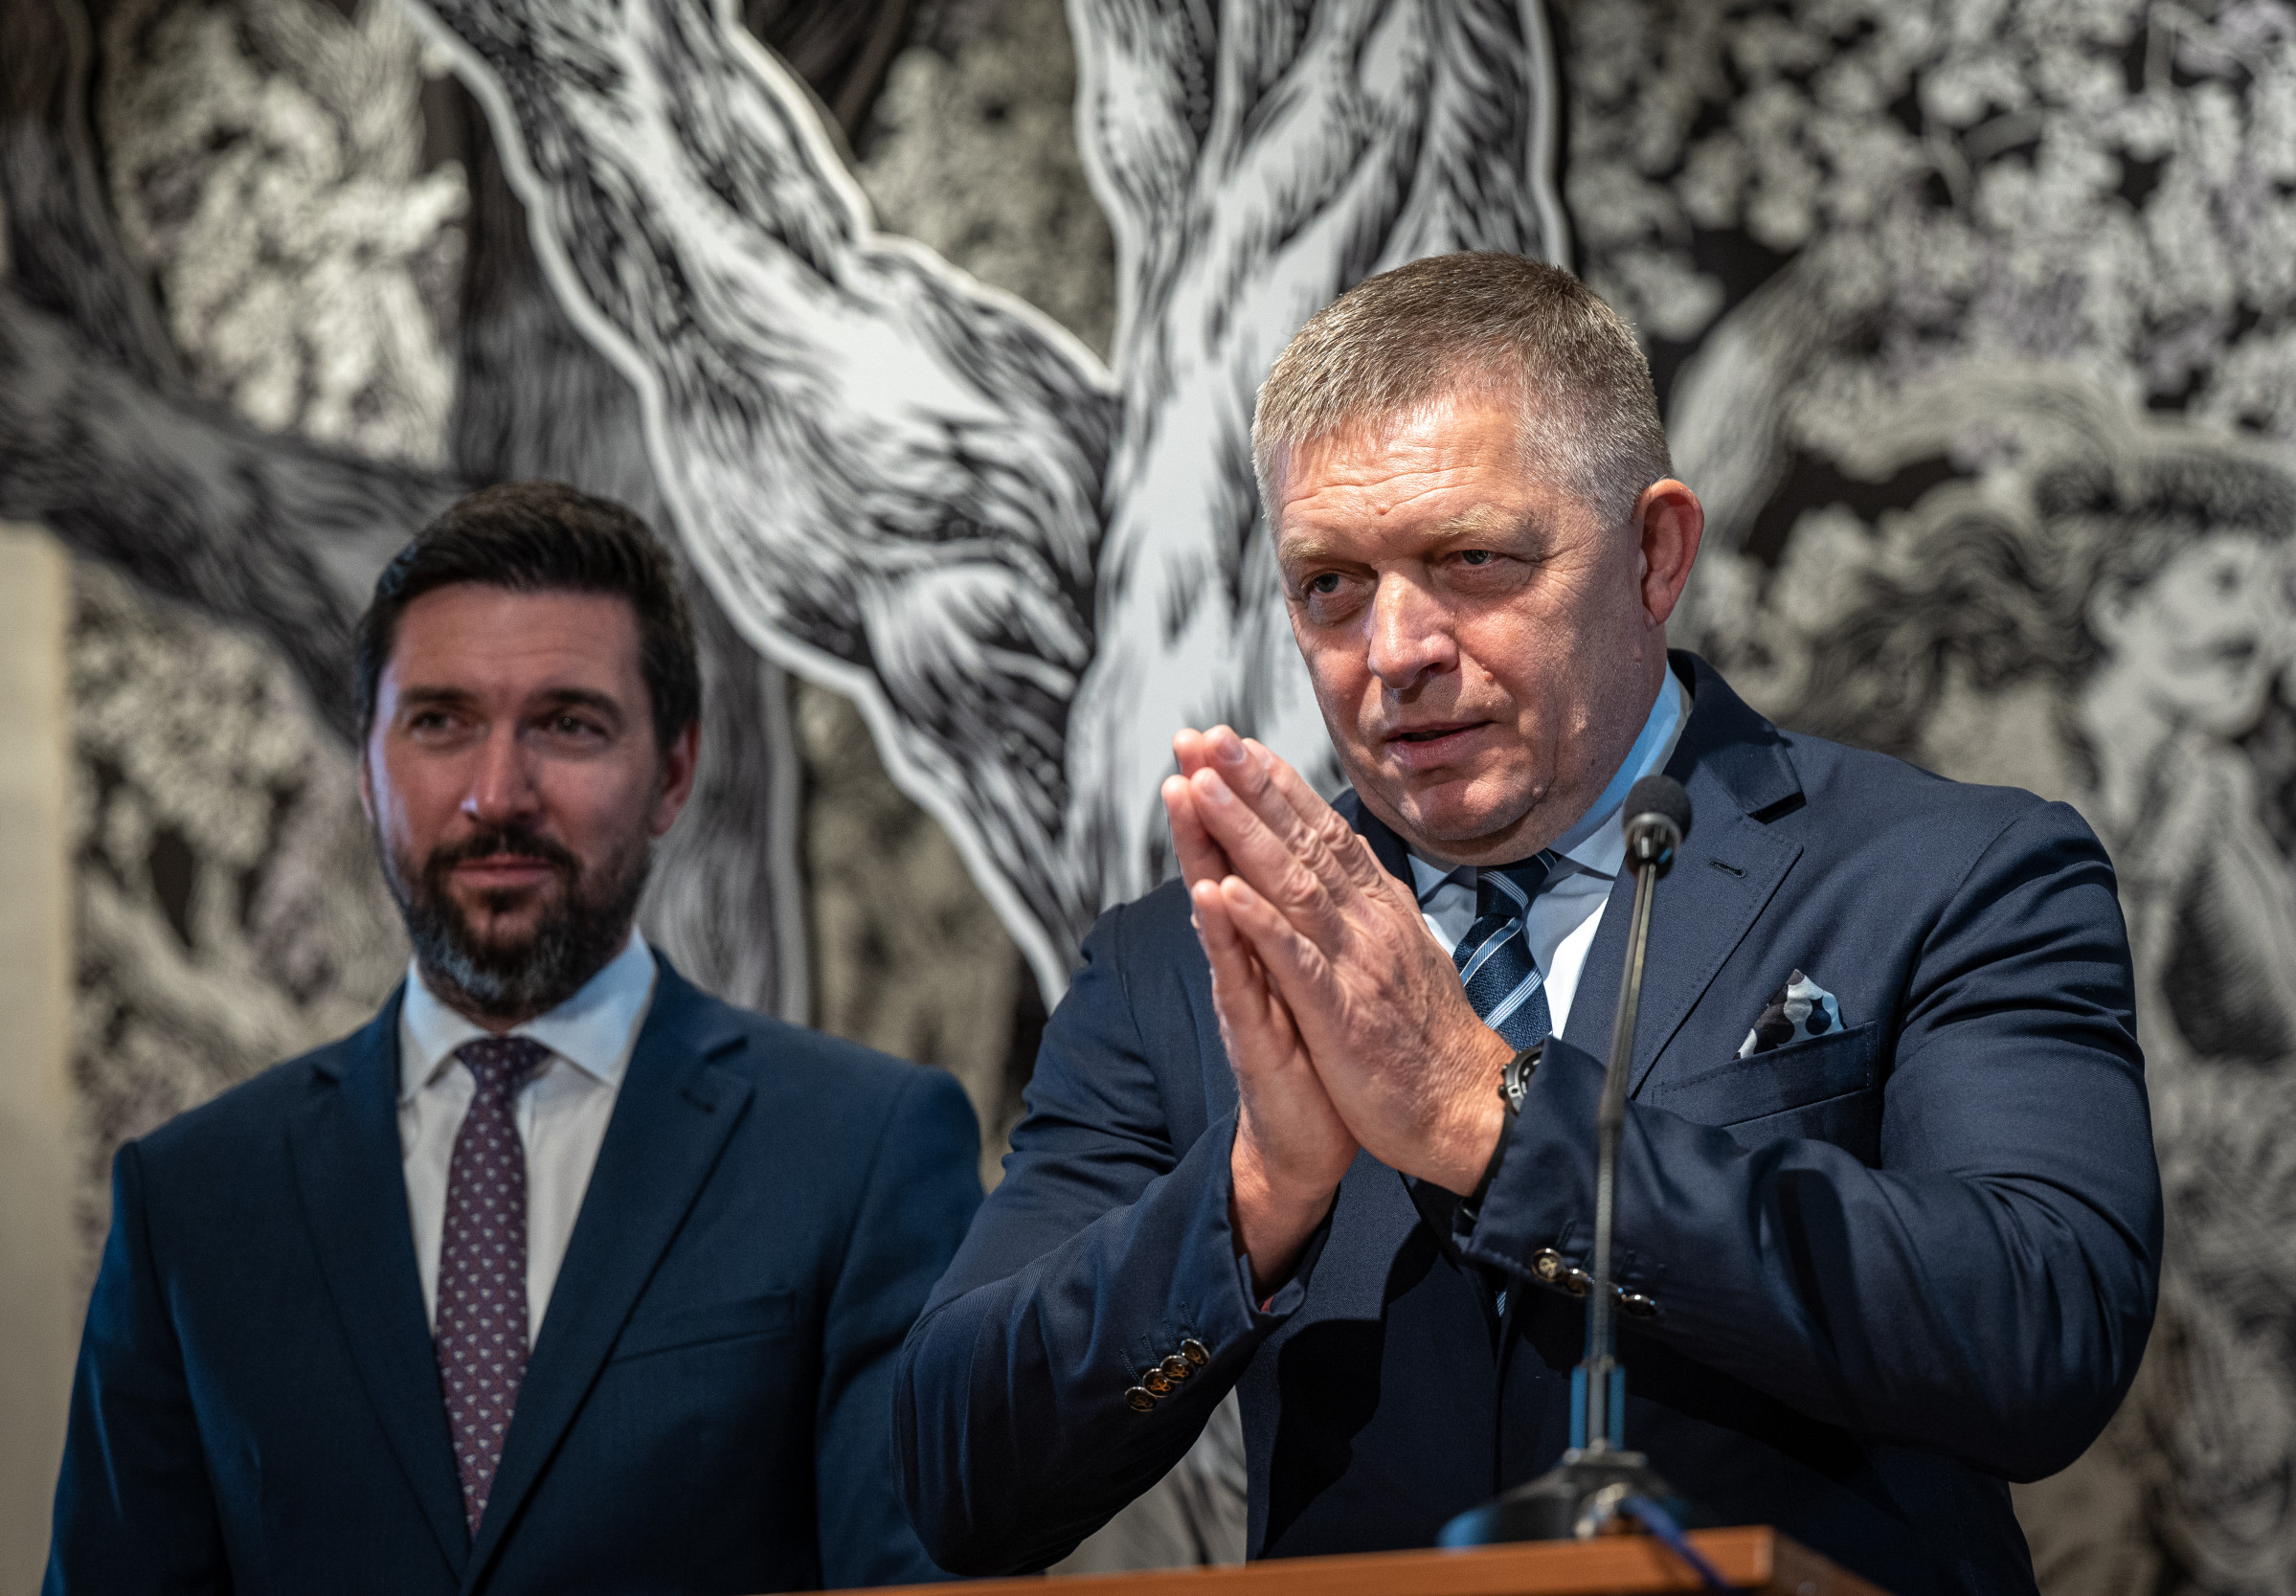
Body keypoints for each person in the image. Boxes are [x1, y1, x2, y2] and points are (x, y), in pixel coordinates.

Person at [893, 255, 2162, 1595]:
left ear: (1654, 553)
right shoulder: (1191, 957)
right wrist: (1257, 1192)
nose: (1395, 649)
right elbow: (957, 1476)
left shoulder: (1949, 871)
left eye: (1470, 560)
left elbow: (2042, 1325)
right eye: (1330, 583)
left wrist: (1489, 1118)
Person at [47, 482, 981, 1594]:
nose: (498, 793)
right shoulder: (192, 1201)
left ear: (673, 772)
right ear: (367, 766)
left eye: (568, 723)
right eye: (440, 722)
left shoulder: (862, 1153)